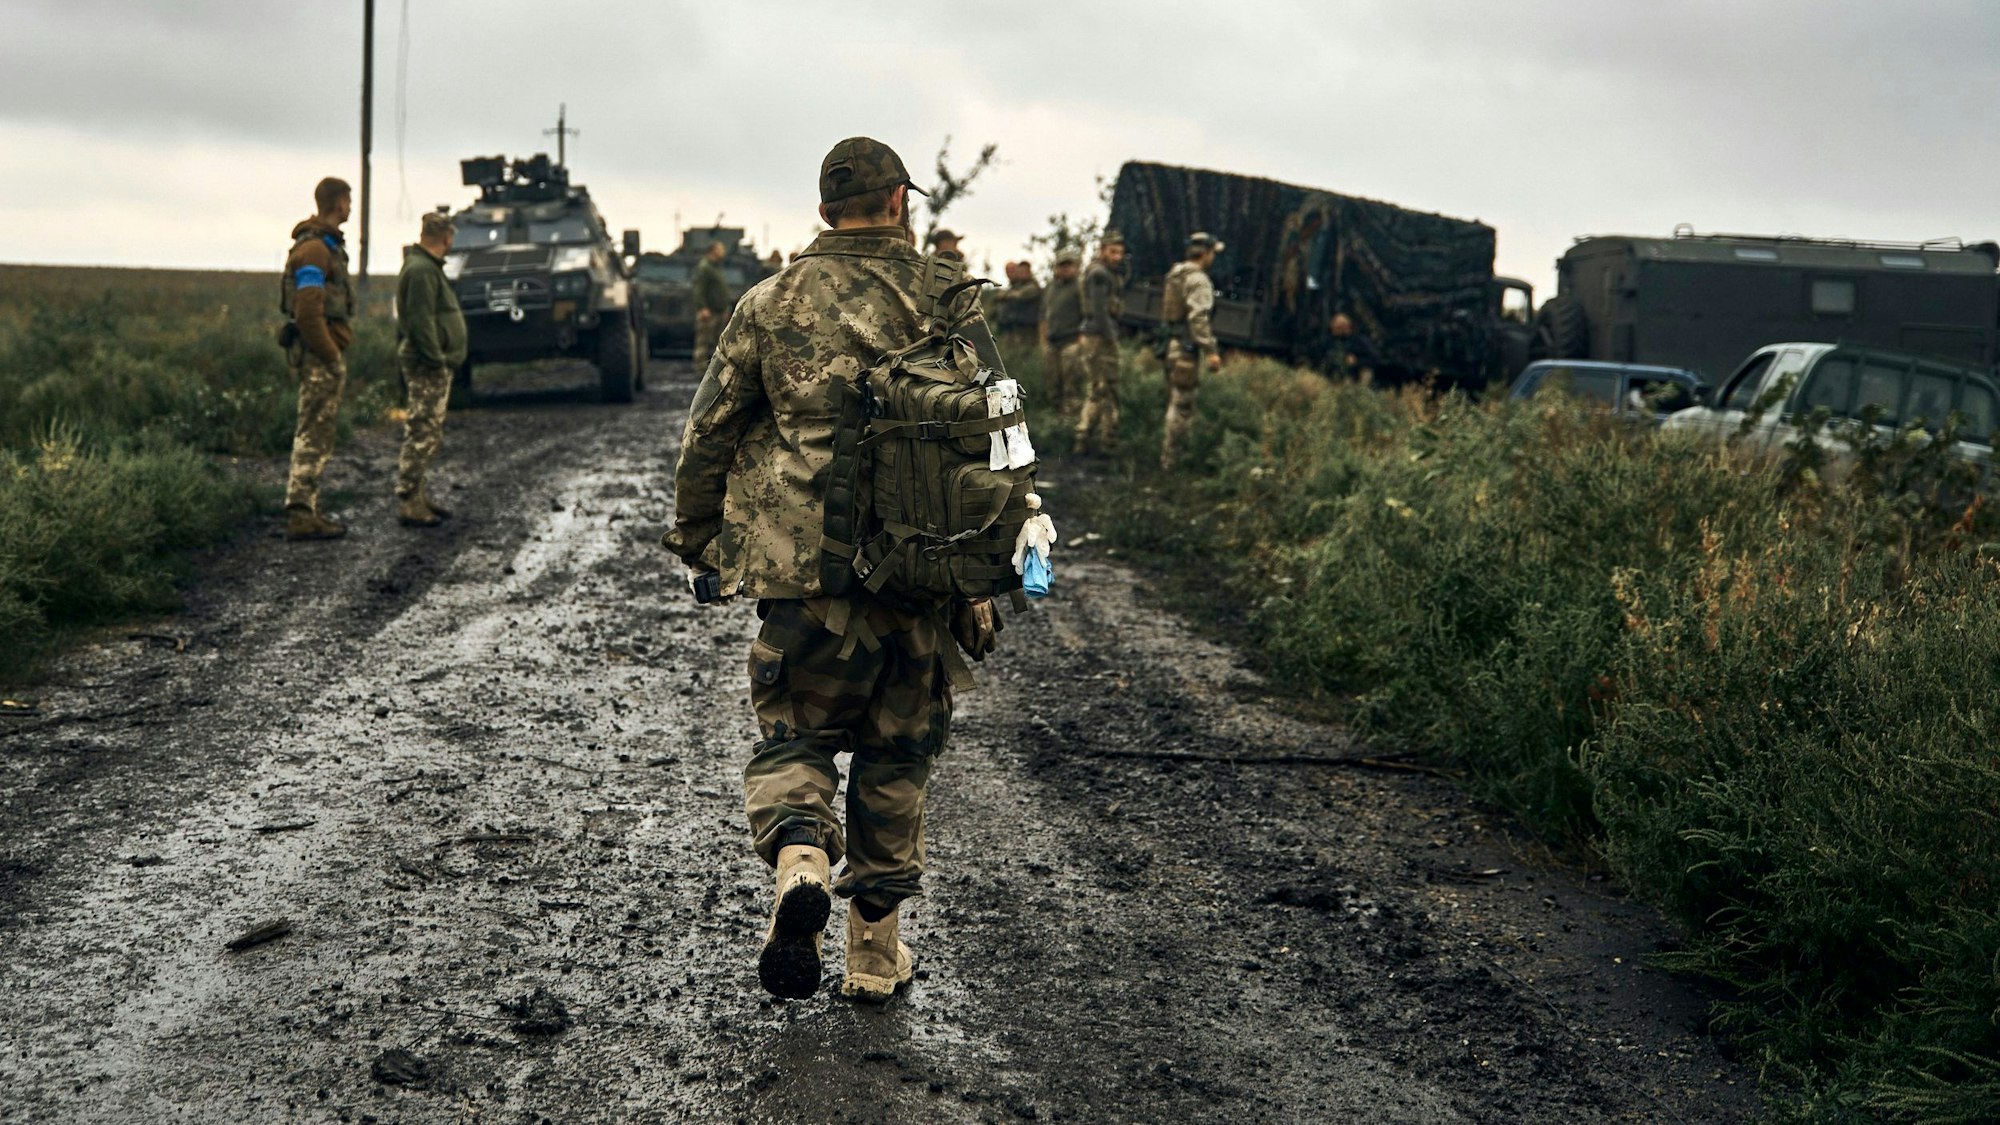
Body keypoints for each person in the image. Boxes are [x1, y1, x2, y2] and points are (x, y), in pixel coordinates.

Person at [663, 136, 1007, 1004]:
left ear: (825, 213)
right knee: (898, 754)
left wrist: (698, 535)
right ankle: (872, 954)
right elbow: (997, 439)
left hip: (801, 573)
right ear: (900, 202)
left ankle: (801, 864)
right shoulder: (946, 299)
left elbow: (710, 431)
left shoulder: (769, 301)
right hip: (921, 573)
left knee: (796, 737)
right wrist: (988, 577)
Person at [279, 176, 357, 541]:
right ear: (338, 202)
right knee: (313, 433)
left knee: (318, 433)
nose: (350, 207)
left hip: (321, 354)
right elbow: (309, 312)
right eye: (348, 200)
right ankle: (300, 513)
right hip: (318, 357)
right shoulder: (314, 251)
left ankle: (307, 508)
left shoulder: (324, 246)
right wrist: (330, 356)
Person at [393, 210, 468, 527]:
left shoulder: (424, 267)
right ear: (447, 237)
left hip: (431, 361)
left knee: (428, 430)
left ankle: (419, 496)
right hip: (427, 363)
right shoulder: (423, 270)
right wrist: (436, 358)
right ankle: (410, 499)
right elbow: (421, 322)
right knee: (422, 429)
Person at [1159, 231, 1224, 470]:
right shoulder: (1198, 280)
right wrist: (1211, 350)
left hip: (1170, 345)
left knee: (1174, 402)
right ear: (1205, 253)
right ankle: (1172, 462)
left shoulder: (1175, 274)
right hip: (1186, 349)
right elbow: (1198, 318)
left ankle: (1171, 457)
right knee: (1182, 406)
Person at [1072, 231, 1127, 453]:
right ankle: (1095, 438)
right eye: (1113, 252)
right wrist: (1110, 337)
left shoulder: (1104, 273)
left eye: (1120, 253)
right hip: (1099, 336)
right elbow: (1099, 310)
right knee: (1103, 388)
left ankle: (1091, 438)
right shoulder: (1099, 274)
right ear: (1102, 251)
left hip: (1097, 334)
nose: (1117, 257)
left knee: (1102, 388)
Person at [1039, 248, 1084, 413]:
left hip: (1071, 342)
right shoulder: (1051, 288)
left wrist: (1081, 339)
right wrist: (1043, 339)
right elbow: (1044, 314)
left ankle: (1070, 416)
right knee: (1052, 380)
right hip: (1052, 342)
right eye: (1061, 265)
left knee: (1071, 381)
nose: (1065, 269)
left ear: (1076, 266)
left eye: (1068, 265)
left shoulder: (1080, 286)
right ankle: (1054, 414)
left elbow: (1087, 314)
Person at [691, 238, 732, 370]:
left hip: (718, 311)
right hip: (709, 312)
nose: (723, 252)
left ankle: (714, 371)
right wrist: (702, 308)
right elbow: (699, 289)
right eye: (721, 249)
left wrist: (725, 308)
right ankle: (701, 371)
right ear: (714, 251)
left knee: (718, 343)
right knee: (703, 343)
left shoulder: (715, 268)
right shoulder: (705, 267)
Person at [1322, 313, 1381, 385]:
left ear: (1345, 327)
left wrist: (1357, 361)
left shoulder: (1359, 340)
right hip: (1338, 376)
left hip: (1356, 376)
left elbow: (1376, 359)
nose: (1333, 330)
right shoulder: (1332, 342)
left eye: (1337, 328)